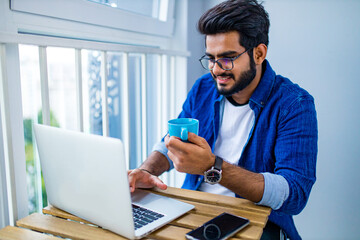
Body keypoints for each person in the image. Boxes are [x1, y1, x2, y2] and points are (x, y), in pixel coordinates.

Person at [128, 0, 318, 239]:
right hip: (193, 208)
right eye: (211, 58)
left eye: (227, 58)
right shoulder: (204, 88)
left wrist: (212, 166)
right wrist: (146, 170)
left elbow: (294, 194)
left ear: (258, 53)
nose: (216, 69)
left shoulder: (294, 104)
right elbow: (171, 142)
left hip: (255, 223)